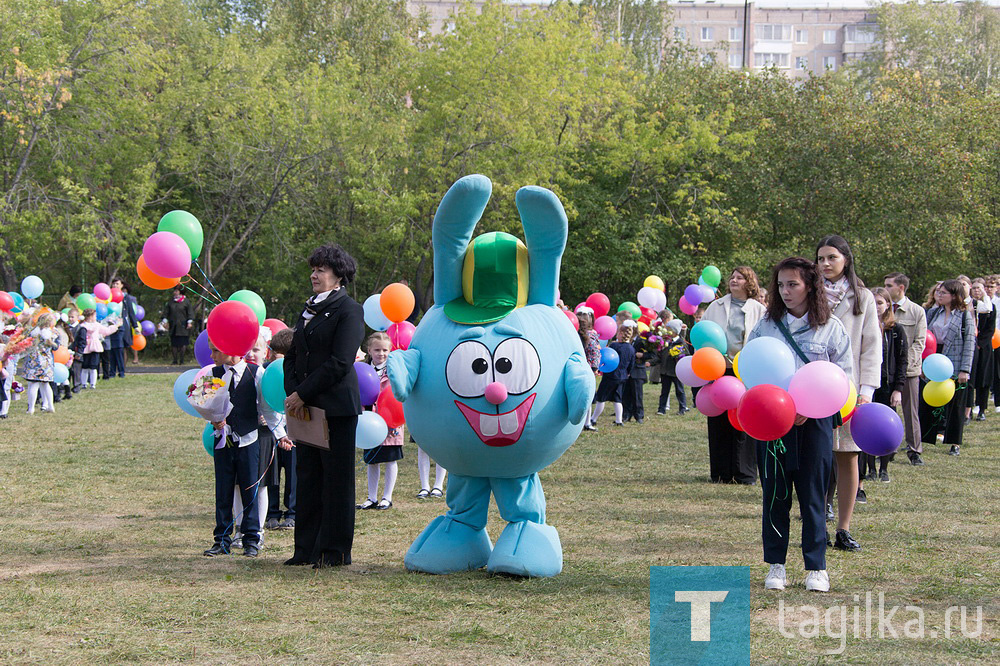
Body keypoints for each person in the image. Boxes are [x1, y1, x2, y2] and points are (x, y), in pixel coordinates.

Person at [747, 257, 853, 593]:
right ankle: (776, 564)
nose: (786, 291)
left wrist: (811, 405)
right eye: (780, 284)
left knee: (813, 494)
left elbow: (844, 376)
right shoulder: (766, 326)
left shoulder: (831, 327)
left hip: (815, 422)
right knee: (775, 493)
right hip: (772, 423)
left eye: (793, 284)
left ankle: (816, 566)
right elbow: (751, 370)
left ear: (810, 285)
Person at [282, 244, 365, 568]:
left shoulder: (349, 310)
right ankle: (305, 550)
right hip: (306, 407)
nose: (314, 275)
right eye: (313, 269)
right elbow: (292, 355)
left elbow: (340, 362)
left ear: (338, 275)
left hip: (337, 409)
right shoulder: (308, 310)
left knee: (336, 481)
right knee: (308, 478)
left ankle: (334, 551)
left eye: (321, 270)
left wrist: (302, 393)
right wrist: (294, 394)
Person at [816, 235, 880, 553]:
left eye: (832, 257)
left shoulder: (862, 297)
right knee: (814, 457)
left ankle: (843, 528)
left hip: (848, 389)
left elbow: (871, 346)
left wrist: (866, 390)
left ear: (846, 259)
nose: (826, 264)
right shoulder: (807, 293)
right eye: (821, 259)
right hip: (812, 388)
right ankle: (816, 524)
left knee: (847, 456)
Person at [203, 340, 289, 558]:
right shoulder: (212, 374)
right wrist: (214, 420)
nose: (212, 356)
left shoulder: (256, 373)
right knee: (223, 490)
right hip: (223, 441)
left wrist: (281, 435)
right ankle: (222, 539)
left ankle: (252, 537)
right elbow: (204, 406)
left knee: (250, 488)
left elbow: (267, 409)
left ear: (230, 351)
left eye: (215, 351)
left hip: (249, 440)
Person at [701, 266, 766, 484]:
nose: (734, 280)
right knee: (718, 420)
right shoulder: (715, 307)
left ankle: (745, 473)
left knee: (744, 420)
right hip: (717, 369)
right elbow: (704, 333)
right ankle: (720, 472)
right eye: (732, 277)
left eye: (739, 278)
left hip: (746, 370)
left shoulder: (759, 309)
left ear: (749, 283)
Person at [231, 327, 277, 549]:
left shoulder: (267, 375)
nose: (251, 353)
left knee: (259, 485)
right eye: (246, 349)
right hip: (239, 435)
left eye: (256, 349)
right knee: (238, 484)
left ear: (265, 353)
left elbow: (277, 405)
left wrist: (277, 426)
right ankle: (240, 528)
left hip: (263, 436)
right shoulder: (237, 373)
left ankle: (257, 529)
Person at [919, 280, 975, 456]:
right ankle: (925, 437)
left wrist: (965, 369)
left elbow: (969, 344)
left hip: (955, 362)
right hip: (934, 361)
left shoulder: (964, 315)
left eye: (943, 292)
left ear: (954, 295)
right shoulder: (933, 312)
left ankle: (954, 442)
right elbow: (925, 338)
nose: (939, 295)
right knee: (928, 399)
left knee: (956, 403)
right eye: (938, 292)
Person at [860, 288, 908, 484]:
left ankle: (884, 468)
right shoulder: (864, 325)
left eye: (880, 302)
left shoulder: (896, 329)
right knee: (868, 426)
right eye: (874, 302)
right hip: (870, 384)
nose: (877, 306)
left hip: (888, 386)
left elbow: (902, 359)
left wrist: (899, 388)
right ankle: (870, 468)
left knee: (886, 426)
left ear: (888, 304)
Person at [883, 272, 927, 466]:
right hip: (885, 371)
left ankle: (914, 449)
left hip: (908, 371)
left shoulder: (916, 311)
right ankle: (886, 447)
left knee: (910, 412)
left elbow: (920, 342)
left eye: (889, 286)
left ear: (900, 288)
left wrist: (903, 365)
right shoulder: (883, 310)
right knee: (886, 411)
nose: (885, 289)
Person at [357, 332, 404, 510]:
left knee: (390, 459)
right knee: (372, 460)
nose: (381, 353)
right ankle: (371, 497)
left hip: (391, 421)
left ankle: (387, 497)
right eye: (377, 350)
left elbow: (398, 395)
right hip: (369, 422)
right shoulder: (362, 369)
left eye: (385, 350)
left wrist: (394, 422)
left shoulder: (393, 370)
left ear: (390, 350)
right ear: (369, 350)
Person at [264, 327, 296, 530]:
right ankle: (272, 512)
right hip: (273, 431)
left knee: (294, 474)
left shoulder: (299, 371)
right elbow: (267, 400)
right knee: (272, 474)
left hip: (295, 432)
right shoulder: (267, 372)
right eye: (276, 356)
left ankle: (293, 512)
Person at [589, 320, 636, 429]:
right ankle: (619, 420)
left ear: (620, 334)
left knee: (601, 398)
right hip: (622, 376)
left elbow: (605, 357)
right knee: (617, 399)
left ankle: (593, 419)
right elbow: (631, 364)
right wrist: (627, 373)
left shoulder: (614, 346)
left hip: (610, 376)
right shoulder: (631, 348)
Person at [968, 278, 995, 421]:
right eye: (975, 288)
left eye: (980, 288)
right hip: (970, 346)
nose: (977, 290)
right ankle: (969, 408)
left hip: (984, 346)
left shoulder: (990, 307)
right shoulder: (969, 305)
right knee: (971, 378)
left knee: (984, 378)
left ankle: (982, 409)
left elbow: (990, 329)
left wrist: (980, 343)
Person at [23, 314, 60, 414]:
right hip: (46, 361)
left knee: (33, 384)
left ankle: (31, 408)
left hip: (33, 360)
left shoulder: (32, 332)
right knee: (46, 384)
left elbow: (25, 343)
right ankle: (50, 406)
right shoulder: (54, 332)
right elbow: (56, 347)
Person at [77, 309, 119, 389]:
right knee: (85, 367)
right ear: (90, 316)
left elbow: (106, 331)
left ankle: (92, 384)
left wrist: (115, 326)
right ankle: (84, 383)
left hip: (94, 348)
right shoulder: (83, 326)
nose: (96, 317)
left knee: (92, 367)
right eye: (94, 316)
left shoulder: (96, 325)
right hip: (86, 347)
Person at [656, 322, 690, 415]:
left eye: (669, 329)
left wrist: (678, 356)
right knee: (664, 391)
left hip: (676, 372)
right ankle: (661, 409)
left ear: (674, 331)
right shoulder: (665, 342)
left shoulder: (681, 342)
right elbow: (660, 355)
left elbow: (686, 355)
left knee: (679, 390)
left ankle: (682, 408)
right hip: (665, 371)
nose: (666, 331)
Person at [577, 307, 602, 431]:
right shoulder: (592, 335)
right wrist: (595, 368)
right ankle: (586, 423)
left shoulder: (579, 334)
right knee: (587, 396)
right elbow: (595, 353)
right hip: (588, 369)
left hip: (580, 367)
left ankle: (585, 422)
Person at [110, 278, 138, 374]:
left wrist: (135, 326)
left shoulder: (126, 298)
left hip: (123, 325)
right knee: (113, 348)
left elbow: (131, 312)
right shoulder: (108, 296)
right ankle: (113, 369)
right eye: (113, 284)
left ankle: (122, 369)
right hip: (111, 325)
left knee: (124, 347)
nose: (115, 286)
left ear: (122, 285)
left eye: (117, 284)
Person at [162, 287, 194, 365]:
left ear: (180, 292)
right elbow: (166, 312)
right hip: (173, 326)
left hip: (183, 326)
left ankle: (182, 360)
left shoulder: (186, 301)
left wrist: (190, 322)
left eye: (176, 291)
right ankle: (175, 360)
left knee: (183, 343)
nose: (174, 292)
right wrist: (165, 321)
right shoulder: (171, 302)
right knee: (174, 343)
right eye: (174, 291)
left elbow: (190, 313)